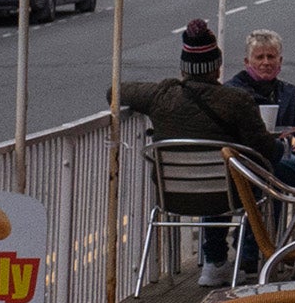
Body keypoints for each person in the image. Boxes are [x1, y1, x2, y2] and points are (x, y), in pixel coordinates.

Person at [120, 18, 280, 273]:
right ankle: (252, 258)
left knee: (226, 176)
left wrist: (168, 85)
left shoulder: (160, 95)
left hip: (171, 198)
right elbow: (267, 152)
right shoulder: (236, 100)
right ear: (217, 67)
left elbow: (115, 91)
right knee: (258, 176)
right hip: (226, 195)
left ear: (183, 68)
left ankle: (213, 262)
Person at [229, 30, 295, 187]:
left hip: (278, 160)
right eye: (259, 57)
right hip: (247, 163)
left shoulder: (288, 92)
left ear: (280, 61)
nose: (266, 62)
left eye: (271, 57)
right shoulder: (233, 92)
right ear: (247, 62)